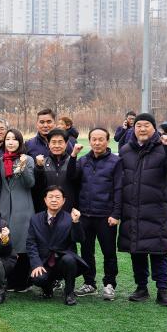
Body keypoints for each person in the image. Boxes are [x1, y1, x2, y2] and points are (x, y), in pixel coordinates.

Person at [118, 113, 167, 307]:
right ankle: (141, 288)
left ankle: (162, 290)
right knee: (136, 251)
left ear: (154, 128)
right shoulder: (125, 150)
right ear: (133, 128)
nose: (142, 129)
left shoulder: (164, 148)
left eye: (146, 125)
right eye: (138, 125)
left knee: (158, 251)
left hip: (155, 209)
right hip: (131, 210)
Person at [67, 128, 122, 300]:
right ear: (89, 141)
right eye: (94, 139)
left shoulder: (116, 162)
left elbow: (119, 189)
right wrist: (73, 156)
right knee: (86, 251)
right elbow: (71, 177)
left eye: (101, 139)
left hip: (106, 216)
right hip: (85, 215)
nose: (97, 143)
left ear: (108, 141)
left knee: (109, 252)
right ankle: (89, 283)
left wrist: (116, 214)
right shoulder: (83, 161)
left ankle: (110, 284)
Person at [0, 128, 35, 292]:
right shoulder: (1, 159)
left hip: (23, 208)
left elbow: (30, 183)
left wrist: (22, 168)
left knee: (22, 245)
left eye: (14, 139)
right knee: (7, 243)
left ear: (20, 142)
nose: (11, 142)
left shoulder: (27, 159)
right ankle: (9, 279)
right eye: (8, 139)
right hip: (5, 207)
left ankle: (22, 282)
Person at [27, 186, 87, 306]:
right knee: (38, 278)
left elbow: (79, 239)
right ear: (45, 200)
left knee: (69, 259)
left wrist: (76, 222)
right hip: (44, 262)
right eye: (51, 197)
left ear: (63, 201)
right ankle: (47, 287)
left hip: (62, 262)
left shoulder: (70, 218)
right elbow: (31, 243)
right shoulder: (35, 218)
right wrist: (36, 264)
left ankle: (69, 292)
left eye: (57, 197)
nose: (54, 200)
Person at [31, 128, 76, 213]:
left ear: (66, 144)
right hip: (45, 211)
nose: (57, 146)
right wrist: (39, 168)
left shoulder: (73, 163)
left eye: (60, 142)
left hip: (68, 210)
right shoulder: (42, 163)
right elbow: (38, 186)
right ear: (48, 144)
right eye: (54, 142)